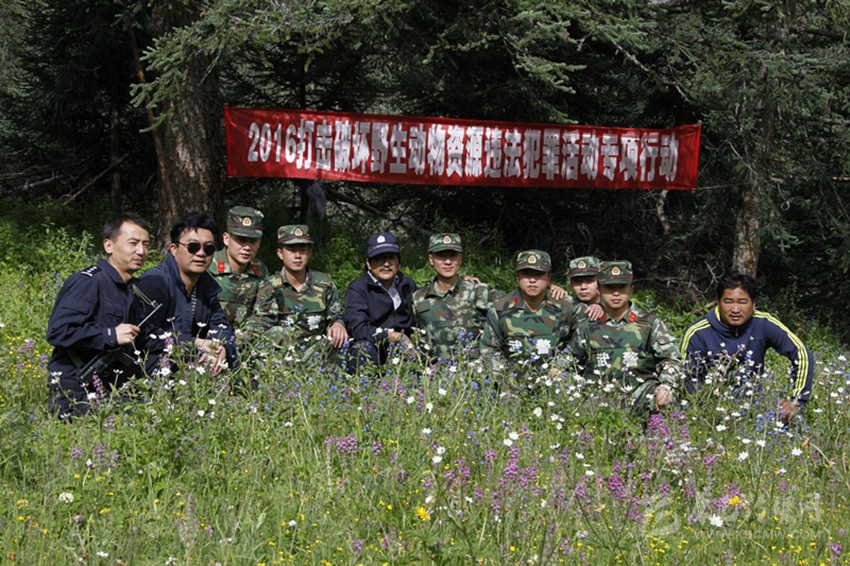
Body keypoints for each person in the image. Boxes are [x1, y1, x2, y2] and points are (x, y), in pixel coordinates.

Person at [46, 212, 151, 418]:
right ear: (108, 245)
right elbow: (59, 331)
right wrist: (110, 335)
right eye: (133, 243)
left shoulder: (133, 290)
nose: (141, 251)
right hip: (76, 391)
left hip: (113, 390)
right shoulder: (88, 282)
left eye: (146, 244)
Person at [680, 271, 814, 423]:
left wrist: (796, 401)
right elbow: (687, 379)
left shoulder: (763, 323)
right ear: (719, 302)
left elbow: (802, 353)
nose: (735, 309)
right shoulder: (698, 332)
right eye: (728, 302)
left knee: (793, 423)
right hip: (710, 412)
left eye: (742, 302)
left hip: (754, 408)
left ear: (753, 304)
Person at [569, 261, 680, 414]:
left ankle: (660, 428)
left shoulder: (649, 323)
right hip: (598, 399)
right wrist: (558, 371)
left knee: (667, 397)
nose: (616, 293)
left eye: (621, 287)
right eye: (610, 287)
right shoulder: (587, 326)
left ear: (631, 289)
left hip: (641, 395)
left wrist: (666, 385)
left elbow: (672, 359)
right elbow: (568, 359)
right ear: (600, 290)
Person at [135, 211, 237, 375]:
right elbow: (143, 335)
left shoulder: (207, 286)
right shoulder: (154, 283)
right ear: (174, 249)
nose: (201, 253)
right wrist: (194, 343)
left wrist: (222, 349)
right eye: (193, 247)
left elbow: (221, 326)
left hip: (193, 367)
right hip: (152, 372)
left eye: (208, 248)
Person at [244, 224, 348, 356]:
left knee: (338, 336)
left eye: (302, 250)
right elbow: (262, 323)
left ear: (309, 253)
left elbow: (337, 315)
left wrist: (338, 324)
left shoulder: (324, 283)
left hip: (316, 352)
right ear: (280, 254)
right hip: (282, 355)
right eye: (292, 250)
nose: (298, 255)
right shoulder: (269, 286)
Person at [479, 250, 579, 370]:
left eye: (538, 274)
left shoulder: (566, 306)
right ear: (517, 277)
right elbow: (489, 348)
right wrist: (502, 377)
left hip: (555, 377)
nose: (532, 280)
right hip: (511, 378)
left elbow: (583, 337)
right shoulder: (500, 309)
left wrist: (559, 367)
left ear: (548, 277)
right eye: (526, 274)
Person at [413, 233, 502, 360]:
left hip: (473, 369)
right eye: (441, 256)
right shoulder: (418, 298)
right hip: (434, 370)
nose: (448, 262)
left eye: (453, 256)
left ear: (460, 258)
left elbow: (514, 309)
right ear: (431, 259)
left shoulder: (478, 291)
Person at [344, 231, 417, 371]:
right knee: (361, 348)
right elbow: (358, 328)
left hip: (405, 349)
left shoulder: (407, 285)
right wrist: (394, 336)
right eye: (379, 258)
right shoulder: (358, 289)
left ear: (399, 261)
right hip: (374, 347)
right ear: (368, 263)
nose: (386, 264)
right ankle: (365, 383)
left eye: (391, 258)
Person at [207, 206, 268, 330]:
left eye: (253, 241)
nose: (247, 247)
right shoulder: (208, 265)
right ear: (226, 239)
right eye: (241, 240)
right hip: (210, 334)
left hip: (245, 335)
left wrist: (241, 337)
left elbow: (264, 313)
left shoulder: (260, 270)